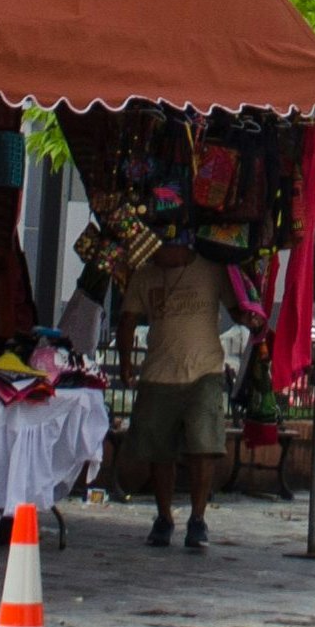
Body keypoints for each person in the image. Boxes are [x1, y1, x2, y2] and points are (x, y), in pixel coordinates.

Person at [129, 234, 234, 552]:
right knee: (160, 452)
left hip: (205, 371)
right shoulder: (144, 274)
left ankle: (198, 518)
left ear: (181, 246)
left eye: (163, 249)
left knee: (203, 448)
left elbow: (239, 303)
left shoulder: (212, 270)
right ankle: (164, 517)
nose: (158, 256)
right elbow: (127, 319)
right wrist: (123, 363)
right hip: (159, 373)